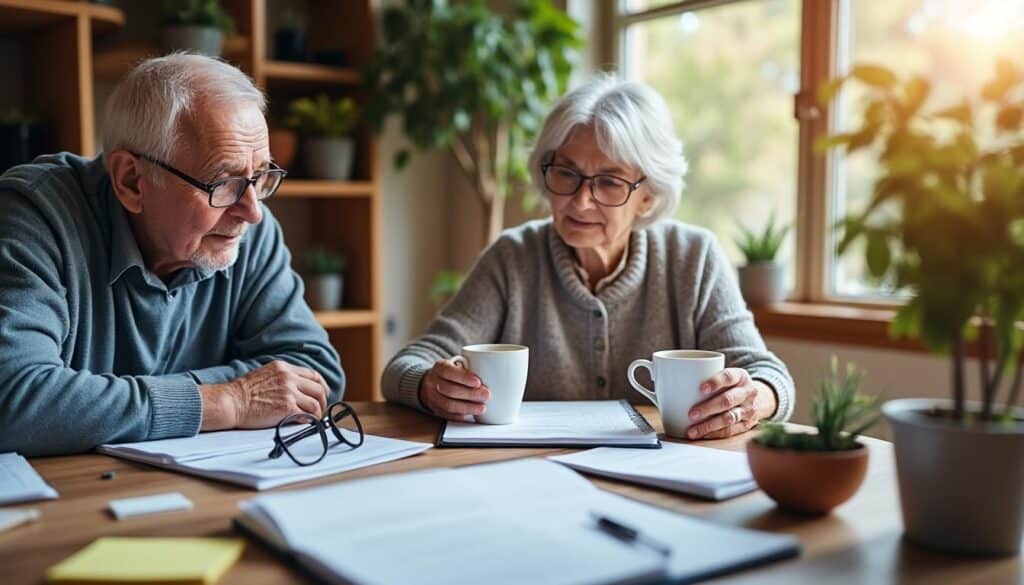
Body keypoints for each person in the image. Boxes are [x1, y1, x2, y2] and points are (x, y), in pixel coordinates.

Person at [382, 74, 794, 439]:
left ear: (648, 196)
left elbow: (769, 375)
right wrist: (429, 387)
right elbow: (406, 365)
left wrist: (754, 398)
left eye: (609, 182)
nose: (580, 201)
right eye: (566, 172)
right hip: (530, 477)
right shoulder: (513, 258)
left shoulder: (693, 257)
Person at [0, 54, 344, 456]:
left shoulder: (249, 229)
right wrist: (227, 400)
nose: (251, 210)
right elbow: (15, 398)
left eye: (262, 175)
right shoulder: (34, 214)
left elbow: (315, 371)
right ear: (131, 181)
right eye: (224, 182)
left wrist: (107, 402)